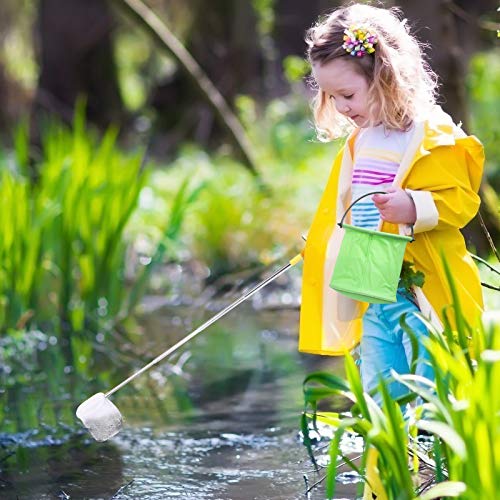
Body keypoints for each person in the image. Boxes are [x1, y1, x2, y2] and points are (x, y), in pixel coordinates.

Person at [299, 3, 484, 404]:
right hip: (373, 280)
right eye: (333, 98)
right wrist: (330, 240)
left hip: (420, 282)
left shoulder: (428, 133)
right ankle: (394, 446)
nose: (343, 108)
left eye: (347, 94)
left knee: (430, 366)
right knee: (381, 375)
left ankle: (435, 448)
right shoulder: (360, 140)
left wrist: (415, 208)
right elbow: (349, 207)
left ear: (385, 76)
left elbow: (462, 202)